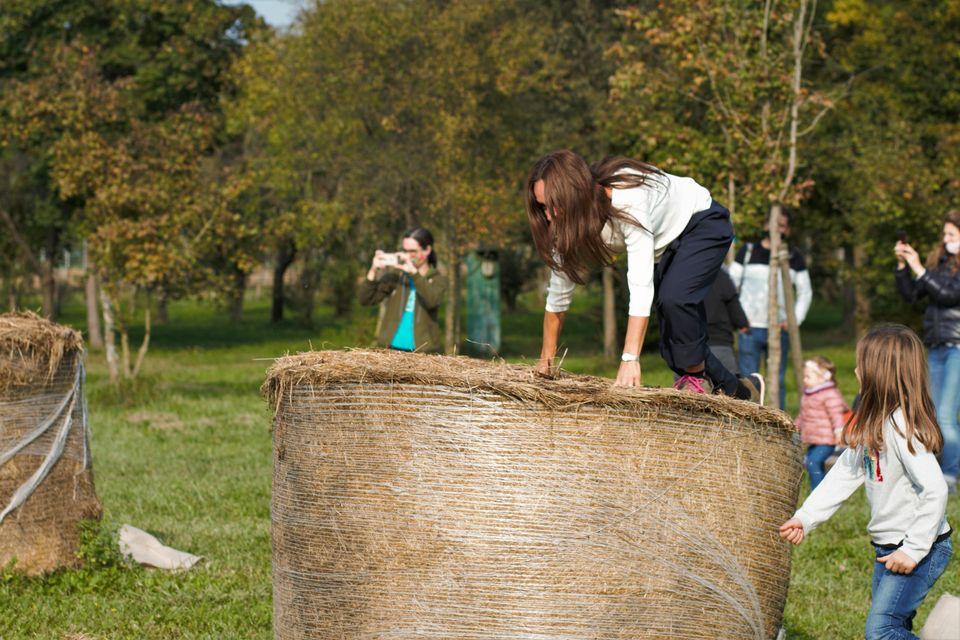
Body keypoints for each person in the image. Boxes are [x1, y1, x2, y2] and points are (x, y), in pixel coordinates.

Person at [526, 149, 763, 402]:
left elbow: (639, 283)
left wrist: (630, 359)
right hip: (665, 246)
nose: (548, 216)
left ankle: (695, 378)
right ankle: (742, 390)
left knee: (675, 301)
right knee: (673, 336)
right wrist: (546, 362)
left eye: (553, 205)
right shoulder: (564, 229)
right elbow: (558, 296)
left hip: (702, 221)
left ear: (574, 194)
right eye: (542, 207)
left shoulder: (626, 197)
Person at [779, 325, 952, 640]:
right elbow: (844, 474)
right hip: (888, 546)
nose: (856, 369)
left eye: (862, 364)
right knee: (892, 627)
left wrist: (913, 550)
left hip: (920, 546)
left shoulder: (901, 426)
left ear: (879, 374)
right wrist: (805, 517)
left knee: (882, 631)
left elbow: (936, 489)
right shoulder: (875, 422)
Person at [895, 210, 960, 496]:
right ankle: (936, 470)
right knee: (930, 414)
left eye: (952, 235)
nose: (945, 240)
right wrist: (902, 267)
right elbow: (912, 295)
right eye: (945, 235)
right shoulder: (941, 263)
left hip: (958, 347)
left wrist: (920, 268)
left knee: (945, 415)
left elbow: (948, 295)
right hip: (936, 346)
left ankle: (951, 475)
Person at [728, 210, 813, 408]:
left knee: (778, 381)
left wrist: (794, 320)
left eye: (782, 225)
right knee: (748, 380)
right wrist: (739, 319)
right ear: (766, 225)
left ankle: (777, 421)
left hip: (779, 328)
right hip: (749, 328)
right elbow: (730, 286)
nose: (778, 229)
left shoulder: (793, 257)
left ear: (788, 230)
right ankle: (748, 421)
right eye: (775, 224)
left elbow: (805, 291)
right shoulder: (747, 252)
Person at [359, 228, 446, 353]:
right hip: (390, 349)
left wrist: (414, 274)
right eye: (405, 251)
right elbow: (365, 299)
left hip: (423, 351)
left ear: (427, 250)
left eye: (413, 251)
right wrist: (373, 270)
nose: (408, 255)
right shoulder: (396, 276)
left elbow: (432, 300)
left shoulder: (438, 279)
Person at [794, 356, 849, 490]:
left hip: (827, 441)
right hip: (814, 439)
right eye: (804, 376)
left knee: (813, 462)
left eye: (808, 376)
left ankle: (818, 493)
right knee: (809, 462)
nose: (804, 379)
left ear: (822, 377)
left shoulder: (830, 394)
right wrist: (794, 427)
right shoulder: (809, 394)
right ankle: (819, 490)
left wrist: (839, 431)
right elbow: (803, 415)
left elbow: (836, 415)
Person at [703, 267, 750, 375]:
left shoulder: (681, 273)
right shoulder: (719, 274)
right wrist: (743, 323)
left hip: (688, 348)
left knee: (689, 389)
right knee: (729, 388)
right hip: (720, 342)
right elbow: (732, 302)